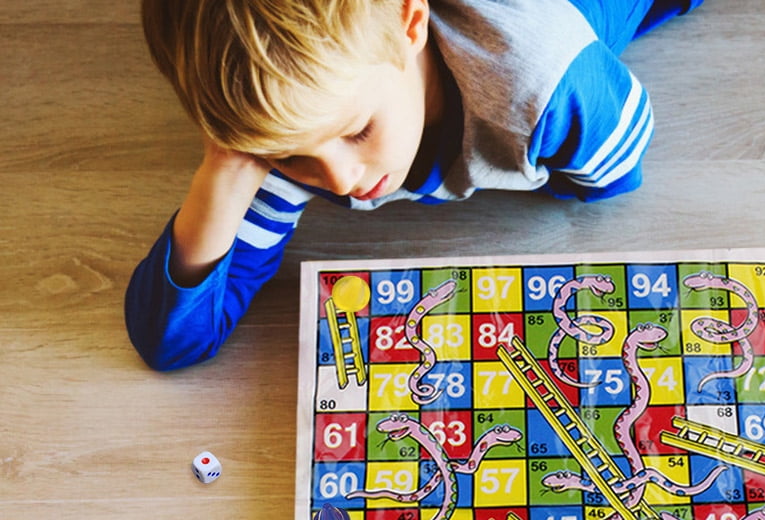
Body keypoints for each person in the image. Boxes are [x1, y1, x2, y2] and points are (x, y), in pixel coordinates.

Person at [126, 0, 706, 371]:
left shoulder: (546, 82)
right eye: (286, 157)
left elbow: (615, 169)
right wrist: (227, 169)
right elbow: (172, 340)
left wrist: (518, 163)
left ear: (409, 23)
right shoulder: (294, 126)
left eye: (357, 132)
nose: (344, 183)